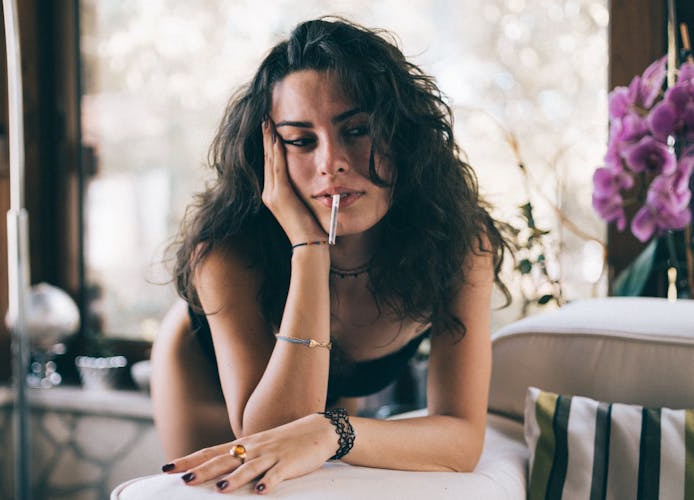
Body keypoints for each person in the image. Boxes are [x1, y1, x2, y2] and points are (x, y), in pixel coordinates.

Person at [151, 16, 509, 494]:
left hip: (320, 389)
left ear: (402, 135)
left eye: (357, 130)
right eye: (301, 140)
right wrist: (310, 249)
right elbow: (267, 434)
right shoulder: (227, 251)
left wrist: (332, 430)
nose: (330, 163)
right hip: (205, 372)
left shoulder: (457, 241)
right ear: (269, 153)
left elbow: (462, 441)